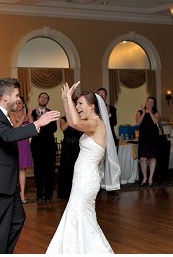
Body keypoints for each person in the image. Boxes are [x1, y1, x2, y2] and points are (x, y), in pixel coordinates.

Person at [0, 78, 59, 254]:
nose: (18, 98)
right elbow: (8, 135)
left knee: (16, 219)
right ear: (6, 96)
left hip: (4, 180)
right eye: (16, 94)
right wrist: (37, 123)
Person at [45, 81, 120, 254]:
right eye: (76, 103)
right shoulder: (92, 123)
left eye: (80, 104)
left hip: (87, 179)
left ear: (91, 106)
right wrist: (65, 99)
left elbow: (75, 123)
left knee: (79, 214)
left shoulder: (95, 123)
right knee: (79, 215)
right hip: (83, 177)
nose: (77, 107)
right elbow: (72, 121)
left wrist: (68, 100)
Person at [30, 92, 57, 203]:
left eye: (45, 98)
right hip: (36, 146)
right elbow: (31, 128)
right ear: (38, 99)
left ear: (47, 101)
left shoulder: (51, 113)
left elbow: (54, 129)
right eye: (41, 97)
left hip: (49, 146)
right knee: (38, 172)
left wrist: (41, 123)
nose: (43, 99)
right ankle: (39, 195)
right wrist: (39, 121)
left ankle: (48, 195)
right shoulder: (31, 113)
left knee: (50, 172)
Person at [11, 96, 34, 203]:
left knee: (22, 169)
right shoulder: (11, 114)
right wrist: (25, 115)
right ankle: (13, 193)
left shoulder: (27, 115)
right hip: (15, 143)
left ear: (23, 104)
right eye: (16, 103)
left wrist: (29, 116)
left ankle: (22, 194)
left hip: (24, 143)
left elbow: (32, 127)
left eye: (20, 103)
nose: (18, 105)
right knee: (14, 168)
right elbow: (16, 126)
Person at [136, 96, 161, 186]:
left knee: (152, 158)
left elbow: (156, 122)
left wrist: (150, 113)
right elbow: (138, 123)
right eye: (148, 101)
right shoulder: (139, 112)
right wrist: (143, 113)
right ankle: (144, 178)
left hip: (153, 138)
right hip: (143, 138)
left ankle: (150, 179)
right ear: (145, 102)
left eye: (151, 102)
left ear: (153, 104)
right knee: (142, 158)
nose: (149, 103)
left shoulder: (156, 113)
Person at [57, 114, 82, 200]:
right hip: (67, 148)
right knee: (67, 169)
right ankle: (66, 193)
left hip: (78, 147)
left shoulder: (80, 119)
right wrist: (70, 118)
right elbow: (63, 128)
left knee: (78, 169)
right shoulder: (63, 119)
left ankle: (78, 191)